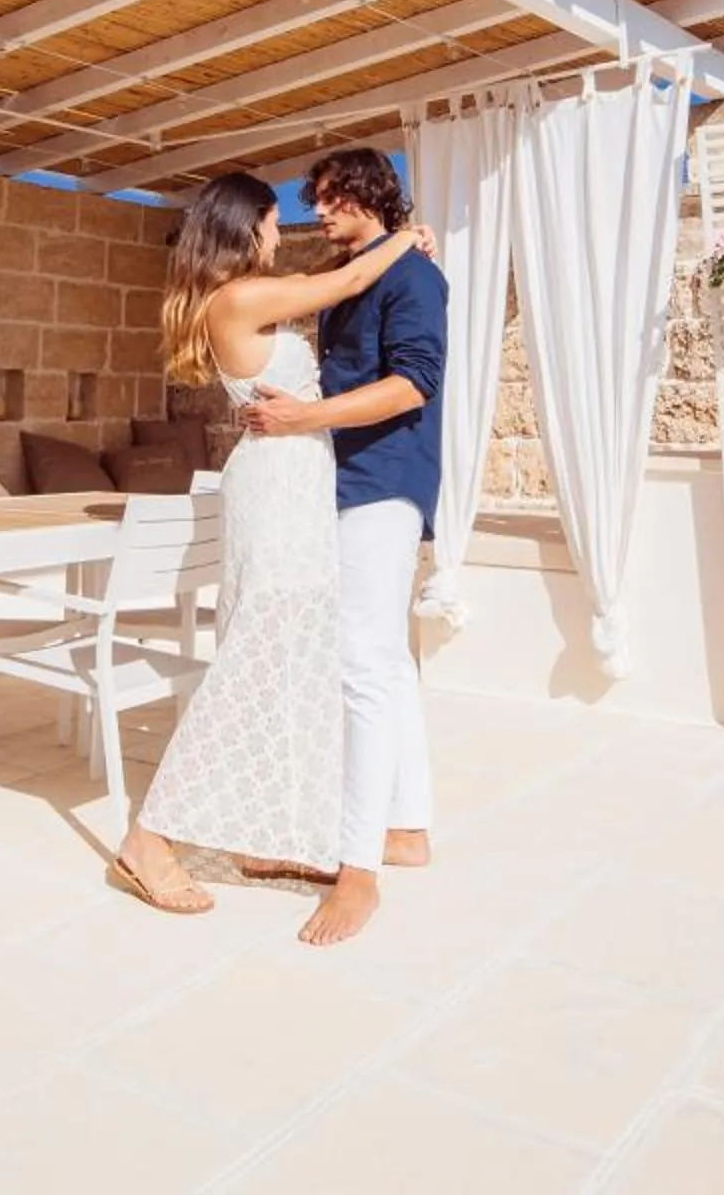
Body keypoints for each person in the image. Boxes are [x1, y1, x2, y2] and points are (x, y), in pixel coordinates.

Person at [107, 173, 434, 918]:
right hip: (278, 485)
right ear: (244, 227)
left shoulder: (241, 296)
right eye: (272, 221)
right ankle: (148, 840)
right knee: (254, 659)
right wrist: (410, 240)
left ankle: (260, 837)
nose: (282, 232)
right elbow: (345, 277)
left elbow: (326, 279)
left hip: (291, 481)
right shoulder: (242, 299)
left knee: (283, 658)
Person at [236, 148, 445, 947]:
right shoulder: (357, 274)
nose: (318, 211)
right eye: (314, 198)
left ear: (373, 197)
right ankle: (407, 829)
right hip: (346, 477)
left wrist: (302, 419)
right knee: (383, 662)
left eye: (332, 198)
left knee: (359, 663)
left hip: (384, 481)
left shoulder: (412, 275)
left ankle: (358, 868)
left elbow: (414, 383)